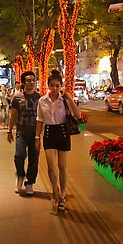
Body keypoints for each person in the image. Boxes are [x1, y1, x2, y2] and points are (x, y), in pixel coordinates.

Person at [35, 69, 81, 215]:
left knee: (62, 166)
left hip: (63, 132)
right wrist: (37, 138)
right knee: (50, 166)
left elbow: (78, 115)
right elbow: (39, 120)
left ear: (60, 86)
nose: (55, 88)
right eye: (52, 85)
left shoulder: (64, 100)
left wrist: (70, 99)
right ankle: (54, 190)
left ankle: (62, 196)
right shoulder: (42, 100)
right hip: (48, 133)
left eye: (57, 86)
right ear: (48, 86)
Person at [7, 70, 41, 195]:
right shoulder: (17, 97)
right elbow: (13, 115)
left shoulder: (39, 97)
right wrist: (9, 131)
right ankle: (20, 175)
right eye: (28, 80)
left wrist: (40, 135)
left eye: (33, 80)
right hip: (21, 132)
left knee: (34, 159)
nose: (31, 83)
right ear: (23, 83)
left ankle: (30, 183)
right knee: (19, 156)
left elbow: (42, 117)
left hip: (35, 133)